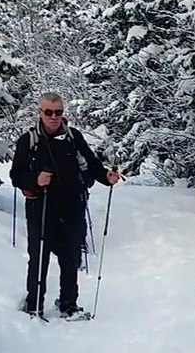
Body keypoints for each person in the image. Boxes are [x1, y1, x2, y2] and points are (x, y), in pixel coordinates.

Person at [9, 92, 120, 319]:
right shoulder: (28, 141)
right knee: (38, 258)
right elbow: (16, 175)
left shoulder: (73, 137)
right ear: (39, 113)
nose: (53, 117)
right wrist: (35, 180)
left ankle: (69, 304)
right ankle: (34, 306)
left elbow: (92, 163)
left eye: (58, 112)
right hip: (41, 208)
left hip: (72, 207)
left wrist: (105, 177)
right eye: (48, 112)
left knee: (71, 258)